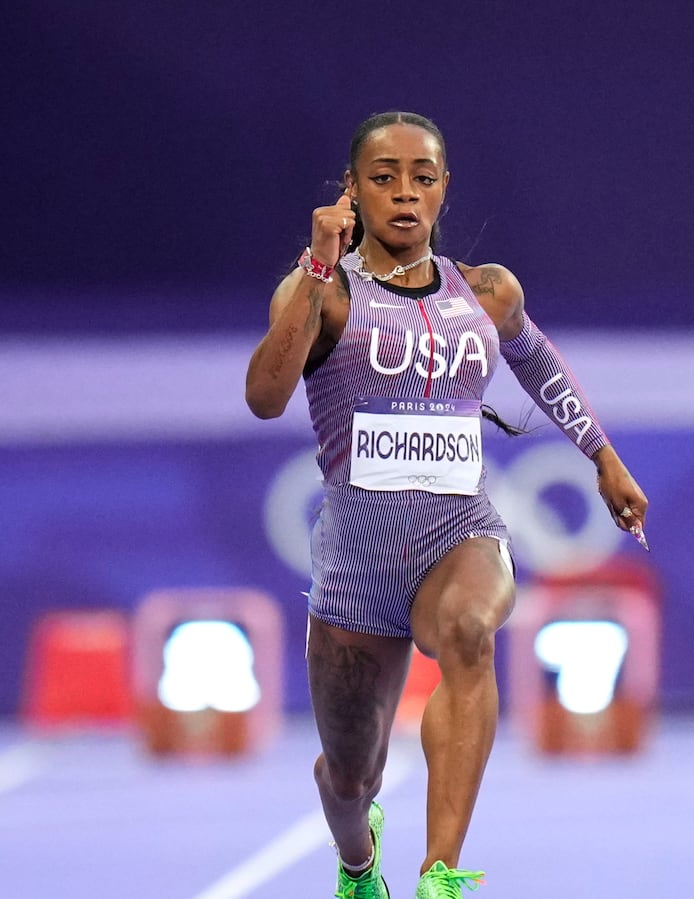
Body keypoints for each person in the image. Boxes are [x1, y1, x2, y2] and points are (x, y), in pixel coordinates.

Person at [244, 111, 648, 899]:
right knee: (350, 775)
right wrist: (320, 265)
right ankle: (360, 865)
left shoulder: (486, 292)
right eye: (384, 176)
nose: (404, 192)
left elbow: (537, 362)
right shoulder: (320, 294)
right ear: (352, 191)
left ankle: (439, 873)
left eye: (421, 177)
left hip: (459, 531)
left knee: (470, 632)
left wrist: (603, 456)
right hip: (355, 568)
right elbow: (264, 396)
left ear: (443, 190)